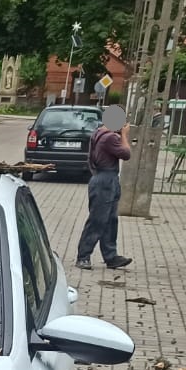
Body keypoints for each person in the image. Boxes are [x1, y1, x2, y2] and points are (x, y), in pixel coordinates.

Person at [75, 113, 133, 270]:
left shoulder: (98, 133)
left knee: (110, 221)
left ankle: (111, 256)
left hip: (104, 178)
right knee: (98, 220)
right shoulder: (110, 138)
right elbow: (126, 154)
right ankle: (83, 256)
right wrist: (124, 135)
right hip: (105, 180)